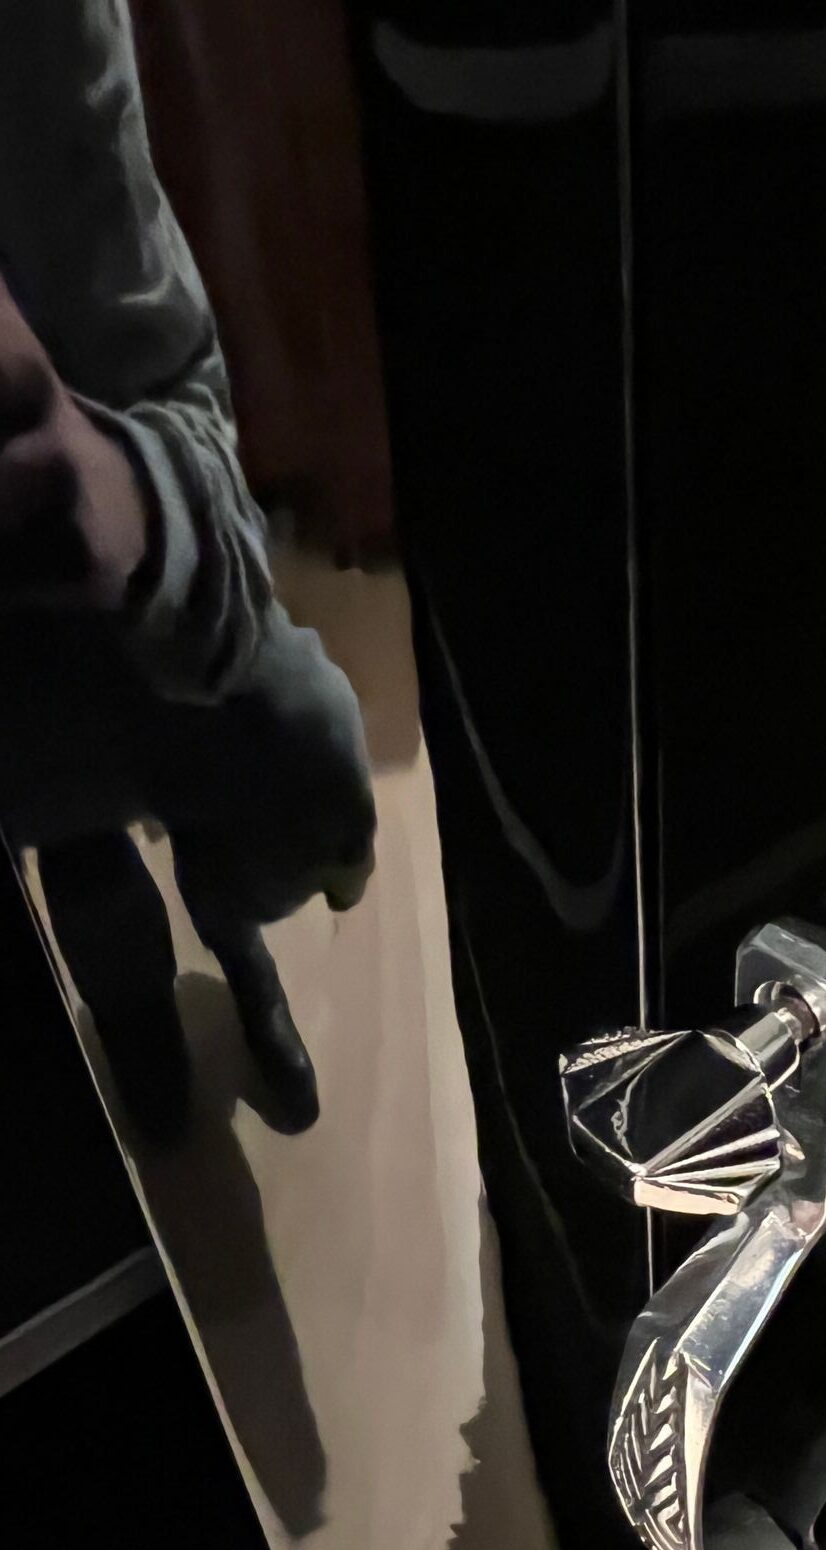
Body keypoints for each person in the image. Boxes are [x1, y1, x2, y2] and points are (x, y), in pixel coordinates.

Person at [0, 0, 375, 1138]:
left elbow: (179, 404)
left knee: (304, 751)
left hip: (97, 528)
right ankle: (137, 1019)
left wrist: (103, 493)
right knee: (87, 866)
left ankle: (230, 924)